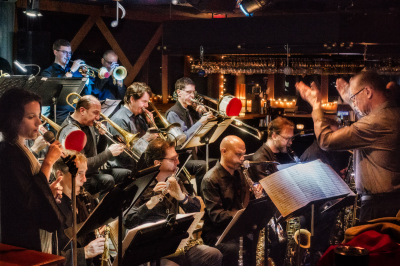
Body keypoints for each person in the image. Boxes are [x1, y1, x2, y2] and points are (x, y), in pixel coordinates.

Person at [296, 70, 400, 223]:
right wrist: (351, 99)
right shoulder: (391, 114)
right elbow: (366, 116)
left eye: (355, 97)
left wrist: (316, 105)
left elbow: (326, 140)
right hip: (389, 203)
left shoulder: (377, 121)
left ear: (368, 92)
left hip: (380, 207)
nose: (354, 103)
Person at [124, 138, 223, 266]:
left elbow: (196, 210)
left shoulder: (175, 181)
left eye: (177, 158)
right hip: (149, 254)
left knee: (213, 255)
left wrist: (182, 198)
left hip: (174, 246)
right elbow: (128, 220)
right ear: (157, 163)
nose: (178, 162)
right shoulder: (138, 187)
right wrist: (150, 203)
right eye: (173, 159)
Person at [0, 88, 65, 252]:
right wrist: (48, 162)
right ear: (13, 119)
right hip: (19, 240)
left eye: (39, 116)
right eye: (31, 117)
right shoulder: (8, 152)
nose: (39, 123)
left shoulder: (20, 146)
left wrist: (48, 191)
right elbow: (26, 203)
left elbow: (28, 190)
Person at [62, 95, 130, 199]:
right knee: (108, 180)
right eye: (95, 113)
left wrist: (102, 137)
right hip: (81, 177)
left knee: (127, 174)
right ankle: (102, 213)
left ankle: (119, 209)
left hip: (93, 172)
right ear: (82, 110)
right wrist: (109, 153)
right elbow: (84, 164)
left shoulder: (87, 124)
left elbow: (97, 152)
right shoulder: (72, 131)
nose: (98, 118)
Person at [201, 135, 251, 266]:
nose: (242, 159)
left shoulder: (240, 172)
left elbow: (243, 202)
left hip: (237, 227)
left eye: (243, 155)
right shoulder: (210, 179)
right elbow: (216, 216)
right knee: (232, 249)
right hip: (217, 233)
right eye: (238, 154)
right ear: (224, 151)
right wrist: (241, 215)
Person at [52, 150, 105, 266]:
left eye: (85, 173)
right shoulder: (51, 209)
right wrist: (84, 253)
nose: (85, 179)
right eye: (79, 173)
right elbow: (51, 257)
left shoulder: (85, 198)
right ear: (60, 175)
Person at [166, 77, 215, 195]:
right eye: (188, 92)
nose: (192, 96)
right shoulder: (173, 113)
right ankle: (202, 198)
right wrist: (201, 121)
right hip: (181, 158)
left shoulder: (189, 111)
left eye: (193, 92)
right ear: (179, 92)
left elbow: (198, 133)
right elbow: (183, 138)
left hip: (193, 155)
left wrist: (200, 115)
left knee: (215, 162)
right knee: (202, 165)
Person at [108, 82, 156, 171]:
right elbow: (125, 154)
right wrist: (145, 138)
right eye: (144, 101)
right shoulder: (120, 119)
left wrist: (151, 124)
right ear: (132, 99)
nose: (147, 106)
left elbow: (152, 143)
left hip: (139, 163)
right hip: (125, 167)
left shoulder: (139, 117)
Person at [41, 39, 91, 125]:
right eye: (64, 52)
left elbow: (87, 94)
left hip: (76, 117)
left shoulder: (74, 72)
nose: (68, 56)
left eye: (69, 53)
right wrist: (71, 71)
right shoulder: (48, 72)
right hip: (59, 118)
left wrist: (86, 78)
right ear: (55, 52)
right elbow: (52, 93)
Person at [249, 116, 295, 182]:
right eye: (287, 138)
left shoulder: (285, 152)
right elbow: (268, 189)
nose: (290, 142)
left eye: (291, 138)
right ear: (274, 136)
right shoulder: (260, 159)